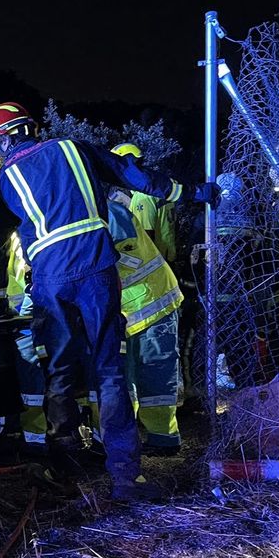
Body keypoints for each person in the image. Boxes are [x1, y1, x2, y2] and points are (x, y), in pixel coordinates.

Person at [0, 102, 218, 501]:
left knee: (59, 373)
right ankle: (126, 477)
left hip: (51, 281)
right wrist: (194, 192)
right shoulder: (75, 148)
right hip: (96, 270)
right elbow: (136, 177)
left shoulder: (4, 181)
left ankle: (64, 470)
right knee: (109, 372)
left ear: (2, 139)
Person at [108, 187, 185, 455]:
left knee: (155, 373)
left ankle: (163, 439)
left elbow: (119, 250)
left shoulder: (111, 213)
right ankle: (134, 440)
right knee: (130, 376)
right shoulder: (103, 211)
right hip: (132, 308)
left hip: (152, 303)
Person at [112, 143, 178, 263]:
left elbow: (146, 236)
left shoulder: (142, 197)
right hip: (168, 254)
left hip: (156, 261)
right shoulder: (159, 188)